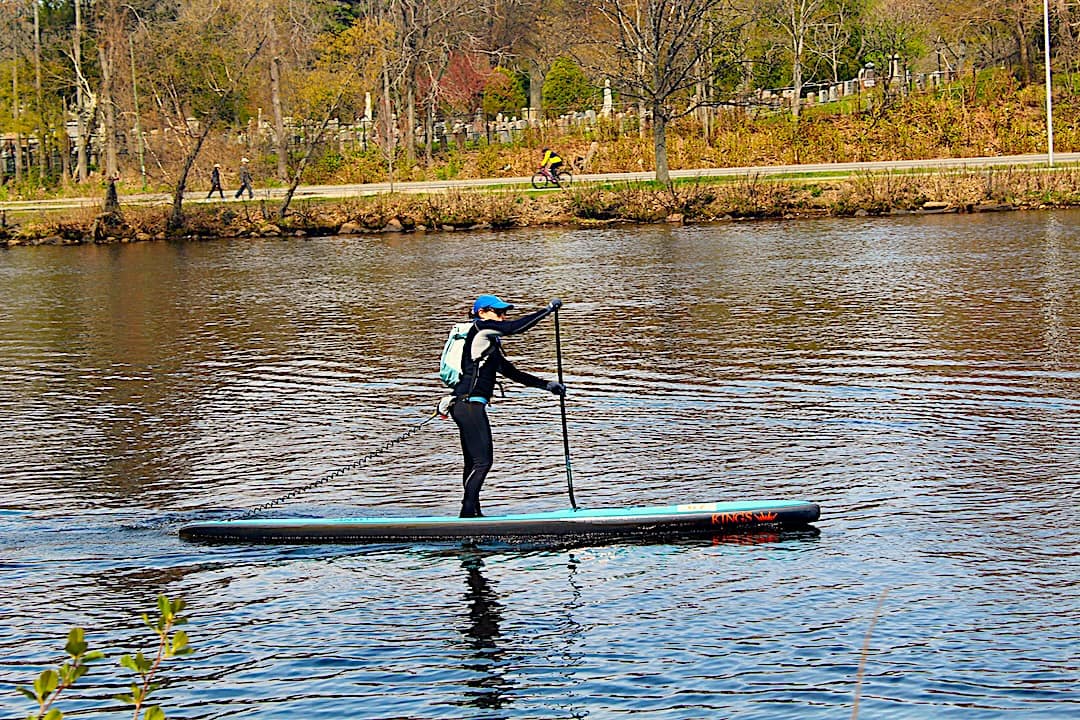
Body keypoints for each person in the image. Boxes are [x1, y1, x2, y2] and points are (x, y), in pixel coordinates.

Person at [448, 294, 566, 518]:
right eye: (498, 313)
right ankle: (466, 517)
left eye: (504, 313)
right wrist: (547, 311)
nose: (502, 318)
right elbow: (515, 328)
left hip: (466, 406)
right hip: (468, 405)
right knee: (483, 462)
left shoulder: (487, 347)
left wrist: (548, 386)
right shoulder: (481, 328)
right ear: (482, 313)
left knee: (473, 462)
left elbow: (513, 373)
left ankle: (474, 515)